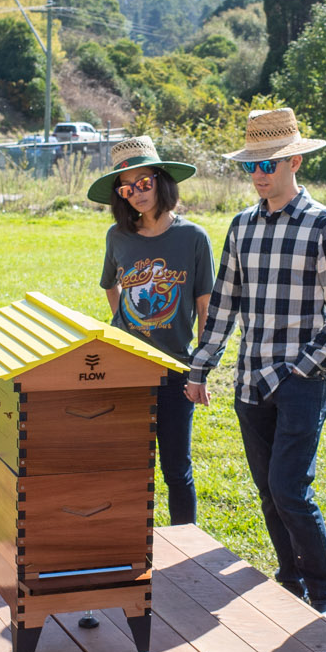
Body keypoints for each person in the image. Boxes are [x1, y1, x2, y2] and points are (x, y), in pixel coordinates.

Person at [185, 108, 326, 623]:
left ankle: (325, 595)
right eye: (253, 166)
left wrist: (308, 367)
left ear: (295, 161)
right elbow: (224, 303)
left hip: (301, 380)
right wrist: (201, 367)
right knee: (267, 491)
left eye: (270, 164)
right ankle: (290, 581)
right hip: (249, 378)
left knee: (290, 486)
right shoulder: (241, 227)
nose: (260, 175)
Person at [91, 136, 213, 525]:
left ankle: (184, 545)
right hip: (125, 367)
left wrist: (201, 370)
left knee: (177, 468)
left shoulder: (193, 237)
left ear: (161, 180)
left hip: (175, 367)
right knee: (127, 466)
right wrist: (123, 322)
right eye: (126, 188)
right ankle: (127, 541)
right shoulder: (118, 237)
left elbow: (204, 307)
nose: (137, 194)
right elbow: (111, 284)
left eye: (143, 183)